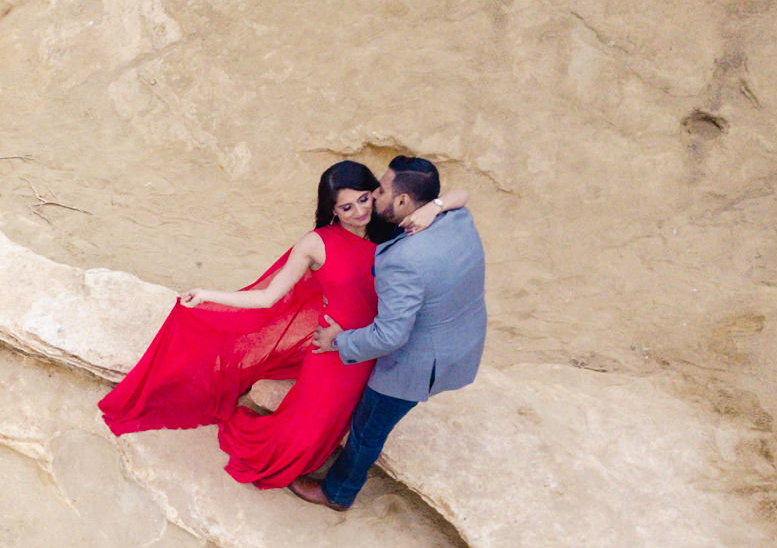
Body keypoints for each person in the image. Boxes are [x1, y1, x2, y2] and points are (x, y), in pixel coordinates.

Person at [97, 161, 466, 489]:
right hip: (331, 350)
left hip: (372, 349)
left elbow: (460, 196)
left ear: (375, 194)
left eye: (364, 200)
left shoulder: (392, 227)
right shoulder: (316, 243)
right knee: (302, 438)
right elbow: (266, 297)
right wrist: (209, 295)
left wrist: (435, 207)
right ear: (332, 210)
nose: (358, 212)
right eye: (346, 207)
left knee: (334, 429)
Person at [290, 159, 487, 510]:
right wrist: (437, 206)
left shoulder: (404, 259)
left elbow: (389, 337)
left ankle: (338, 492)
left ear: (403, 203)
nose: (373, 195)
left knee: (368, 428)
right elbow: (461, 196)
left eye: (380, 191)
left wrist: (337, 340)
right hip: (462, 339)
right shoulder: (456, 217)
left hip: (417, 362)